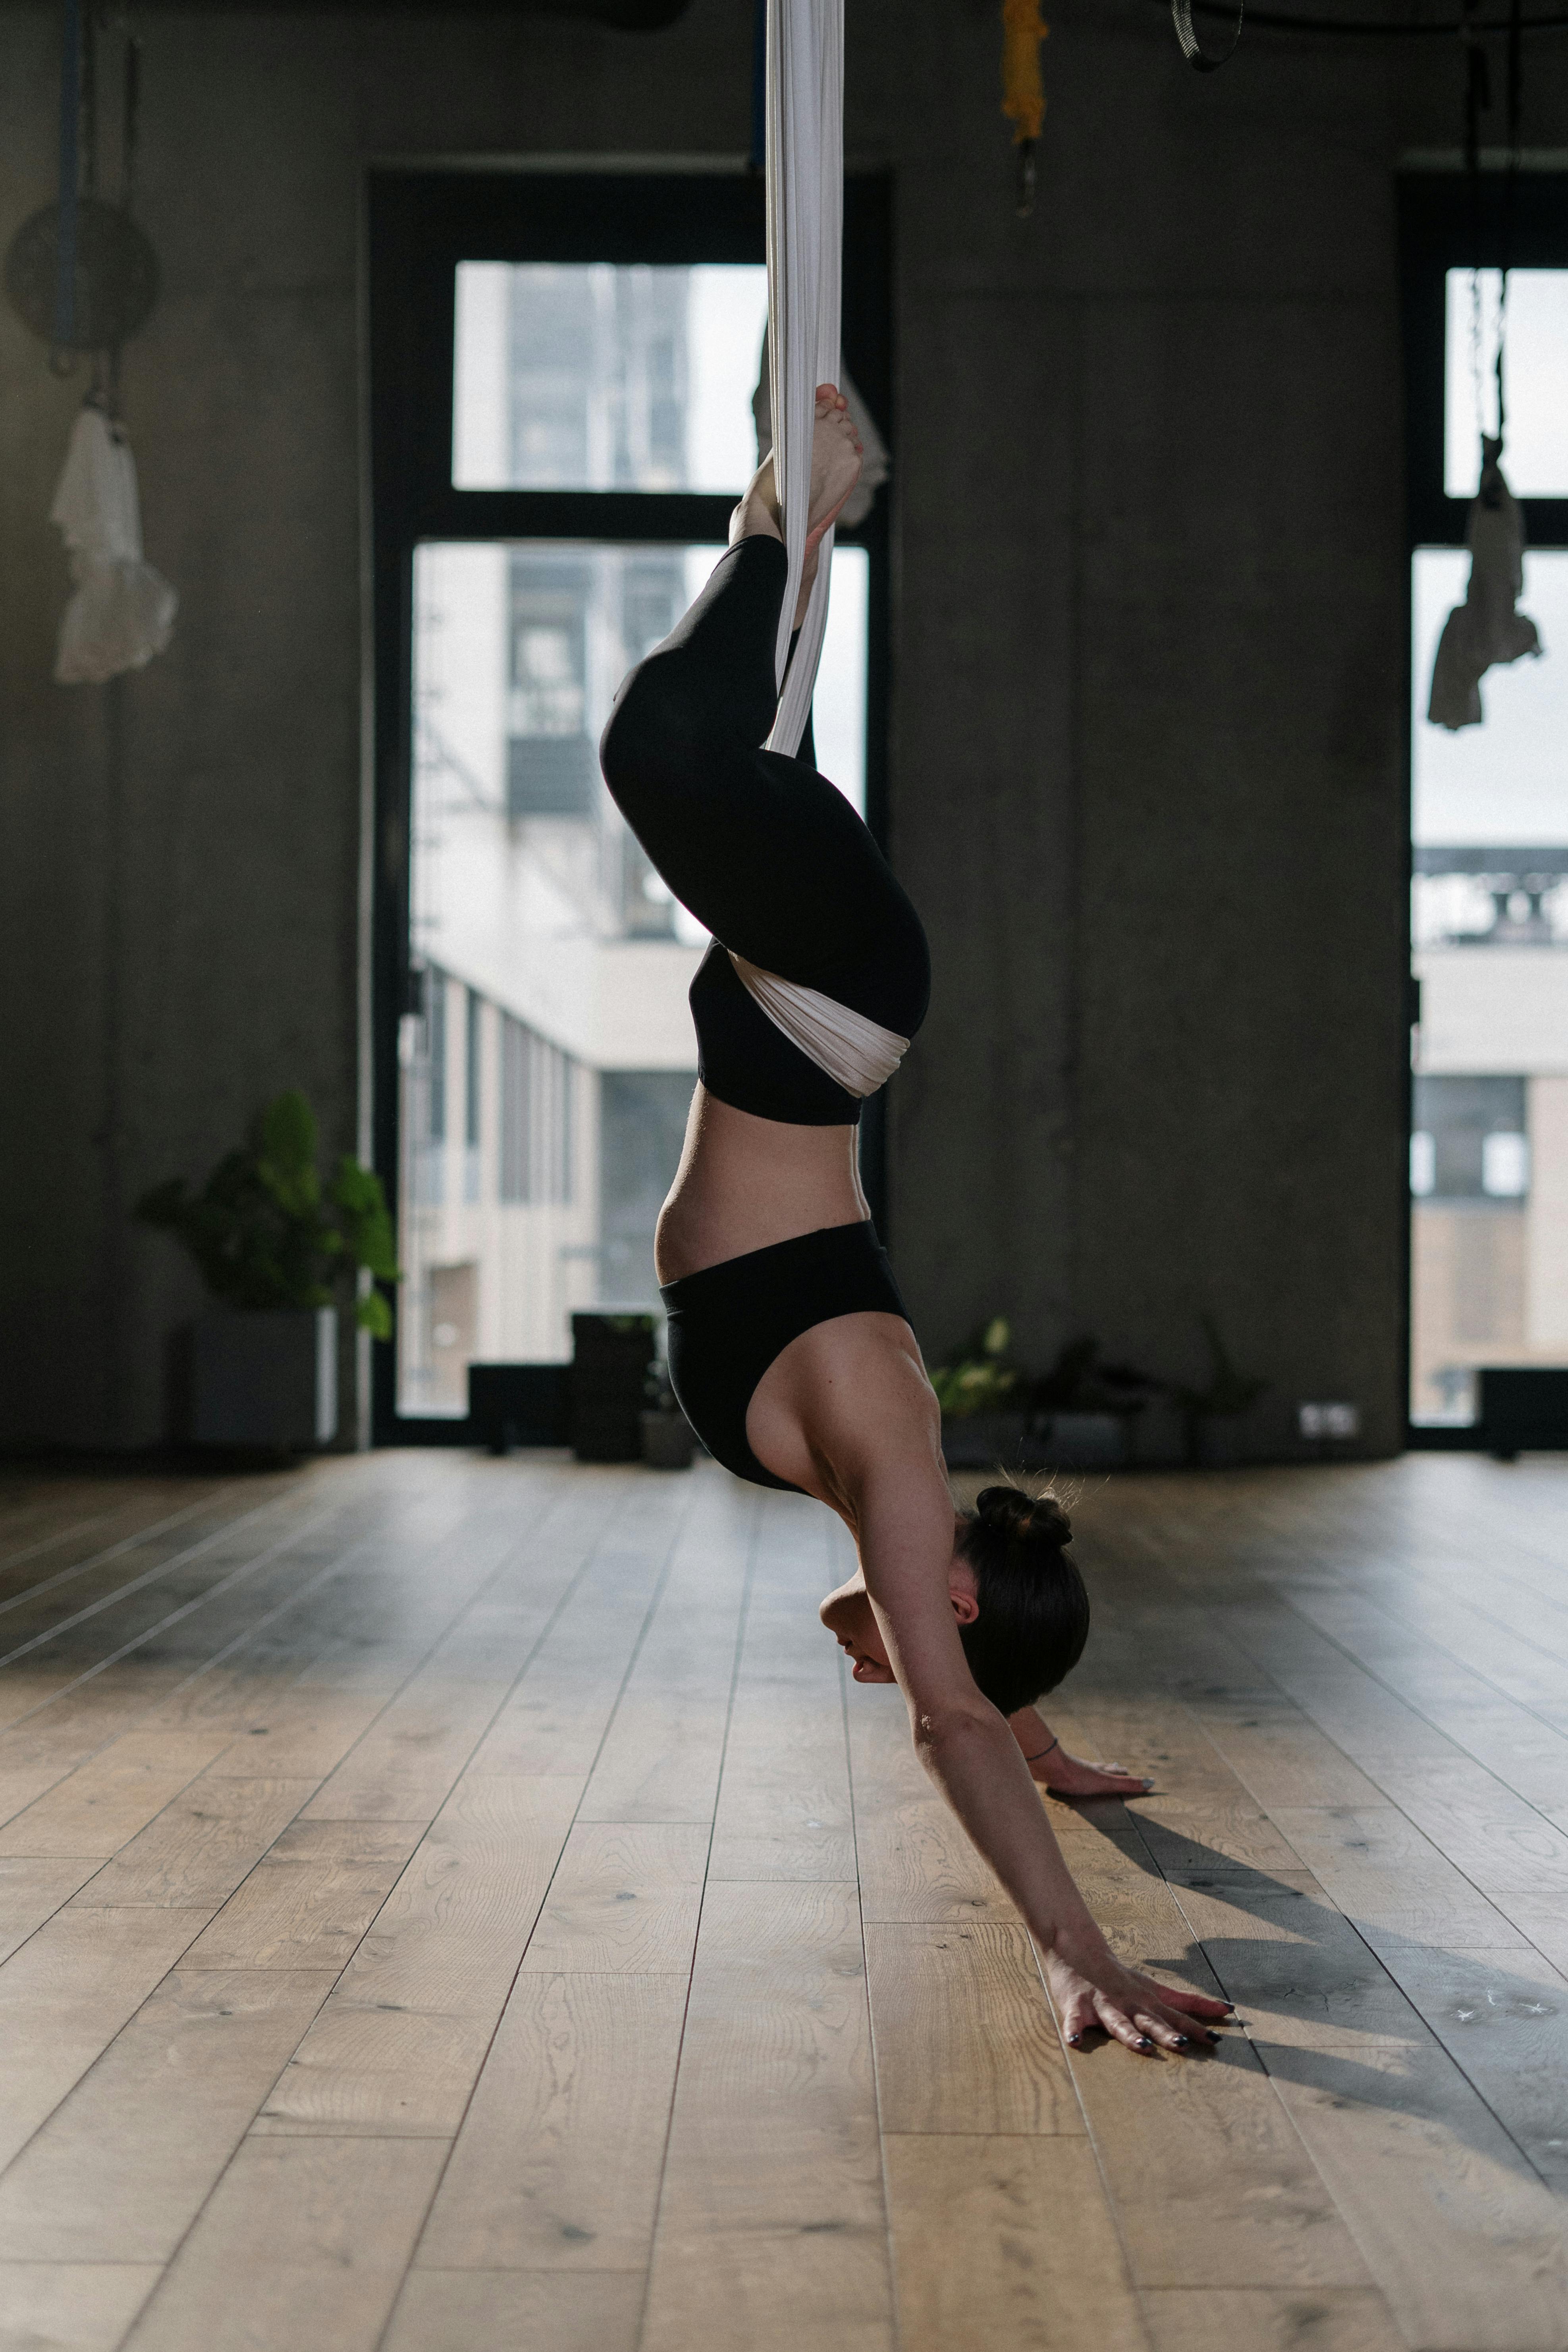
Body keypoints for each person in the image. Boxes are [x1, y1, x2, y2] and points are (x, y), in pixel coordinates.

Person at [600, 388, 1230, 2057]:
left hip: (781, 1007)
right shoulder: (885, 1438)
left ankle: (798, 529)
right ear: (947, 1599)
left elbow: (956, 1677)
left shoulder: (893, 1515)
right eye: (922, 1648)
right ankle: (797, 508)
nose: (870, 1663)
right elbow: (942, 1706)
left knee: (705, 760)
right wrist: (1073, 1941)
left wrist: (1032, 1725)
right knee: (657, 757)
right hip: (832, 1002)